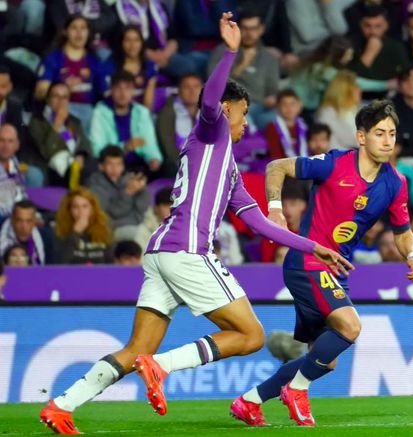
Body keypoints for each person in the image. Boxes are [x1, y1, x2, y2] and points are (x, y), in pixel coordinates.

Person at [39, 15, 350, 434]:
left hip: (161, 253)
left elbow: (259, 223)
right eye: (242, 114)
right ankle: (162, 366)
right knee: (250, 335)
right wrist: (231, 53)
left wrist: (313, 247)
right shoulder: (212, 131)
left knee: (136, 348)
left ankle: (61, 405)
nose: (245, 124)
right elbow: (209, 101)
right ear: (227, 110)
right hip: (187, 251)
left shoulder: (229, 168)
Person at [233, 100, 413, 427]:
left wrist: (412, 256)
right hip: (307, 260)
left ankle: (250, 401)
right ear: (361, 137)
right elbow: (276, 166)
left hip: (335, 270)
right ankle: (296, 389)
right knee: (350, 327)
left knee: (325, 358)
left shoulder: (396, 183)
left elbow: (402, 231)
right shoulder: (334, 163)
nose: (387, 140)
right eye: (379, 133)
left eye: (391, 134)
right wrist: (275, 209)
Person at [208, 10, 279, 129]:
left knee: (277, 118)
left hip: (259, 107)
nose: (249, 33)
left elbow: (272, 91)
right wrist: (242, 65)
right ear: (238, 29)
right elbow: (213, 83)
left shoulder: (269, 58)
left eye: (253, 29)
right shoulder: (222, 51)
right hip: (229, 105)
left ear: (261, 29)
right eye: (245, 28)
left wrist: (271, 99)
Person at [35, 15, 105, 132]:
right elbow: (39, 93)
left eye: (83, 28)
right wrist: (63, 88)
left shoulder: (94, 60)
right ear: (65, 32)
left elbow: (103, 92)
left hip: (88, 112)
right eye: (74, 28)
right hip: (59, 110)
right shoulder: (54, 58)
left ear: (88, 33)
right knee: (68, 136)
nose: (79, 33)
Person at [289, 36, 391, 114]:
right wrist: (386, 85)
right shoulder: (321, 69)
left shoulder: (317, 64)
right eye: (347, 55)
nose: (350, 58)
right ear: (337, 55)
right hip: (300, 108)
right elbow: (354, 82)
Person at [89, 70, 162, 175]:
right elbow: (97, 149)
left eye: (127, 88)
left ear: (133, 91)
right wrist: (125, 147)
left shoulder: (141, 112)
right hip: (111, 166)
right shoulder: (100, 112)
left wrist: (153, 159)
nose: (122, 93)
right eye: (118, 88)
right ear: (111, 90)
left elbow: (149, 142)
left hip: (138, 164)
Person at [28, 82, 94, 187]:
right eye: (56, 96)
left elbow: (84, 143)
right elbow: (47, 152)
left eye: (64, 97)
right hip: (50, 168)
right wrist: (57, 123)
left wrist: (80, 154)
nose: (61, 101)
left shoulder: (73, 121)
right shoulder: (37, 122)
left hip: (74, 163)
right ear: (48, 99)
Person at [115, 0, 197, 81]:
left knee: (188, 66)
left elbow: (173, 37)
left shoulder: (160, 7)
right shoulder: (120, 8)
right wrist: (151, 55)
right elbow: (121, 41)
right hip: (139, 57)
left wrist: (164, 55)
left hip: (165, 55)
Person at [88, 145, 150, 240]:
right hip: (112, 229)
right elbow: (111, 213)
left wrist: (142, 190)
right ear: (101, 166)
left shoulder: (130, 180)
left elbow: (142, 209)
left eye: (118, 164)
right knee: (140, 236)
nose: (115, 168)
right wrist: (128, 193)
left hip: (137, 225)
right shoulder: (94, 186)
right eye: (110, 164)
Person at [346, 5, 409, 89]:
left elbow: (405, 76)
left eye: (378, 26)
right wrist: (368, 54)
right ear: (361, 25)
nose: (373, 31)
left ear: (386, 25)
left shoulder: (396, 47)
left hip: (388, 95)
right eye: (367, 26)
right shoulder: (351, 45)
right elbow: (349, 81)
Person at [156, 73, 203, 177]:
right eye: (187, 87)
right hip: (176, 165)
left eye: (196, 86)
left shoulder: (211, 112)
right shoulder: (168, 112)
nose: (192, 91)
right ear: (179, 90)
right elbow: (167, 145)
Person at [104, 25, 158, 110]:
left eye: (136, 40)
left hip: (140, 112)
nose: (132, 45)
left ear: (142, 43)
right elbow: (108, 96)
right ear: (121, 43)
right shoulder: (110, 65)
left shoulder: (149, 66)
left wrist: (143, 115)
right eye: (128, 40)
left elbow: (148, 102)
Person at [315, 71, 361, 149]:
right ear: (345, 91)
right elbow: (352, 139)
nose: (359, 90)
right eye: (355, 87)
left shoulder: (352, 109)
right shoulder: (328, 112)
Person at [285, 0, 351, 55]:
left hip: (316, 54)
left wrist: (328, 5)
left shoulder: (334, 4)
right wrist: (334, 28)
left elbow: (340, 29)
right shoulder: (298, 2)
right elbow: (308, 36)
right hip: (291, 53)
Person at [264, 89, 308, 159]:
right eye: (284, 104)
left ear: (299, 106)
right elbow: (275, 156)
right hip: (280, 164)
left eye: (292, 104)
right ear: (278, 107)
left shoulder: (304, 126)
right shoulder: (272, 128)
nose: (289, 108)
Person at [0, 200, 45, 265]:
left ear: (35, 222)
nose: (24, 227)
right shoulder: (2, 238)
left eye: (28, 221)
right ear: (12, 220)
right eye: (19, 221)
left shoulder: (45, 238)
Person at [0, 124, 28, 219]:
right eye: (1, 140)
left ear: (17, 145)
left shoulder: (15, 162)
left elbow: (20, 194)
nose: (6, 146)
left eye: (10, 141)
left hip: (16, 215)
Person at [135, 187, 171, 251]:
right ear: (156, 207)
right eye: (167, 205)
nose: (171, 209)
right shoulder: (143, 230)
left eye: (174, 205)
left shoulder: (185, 229)